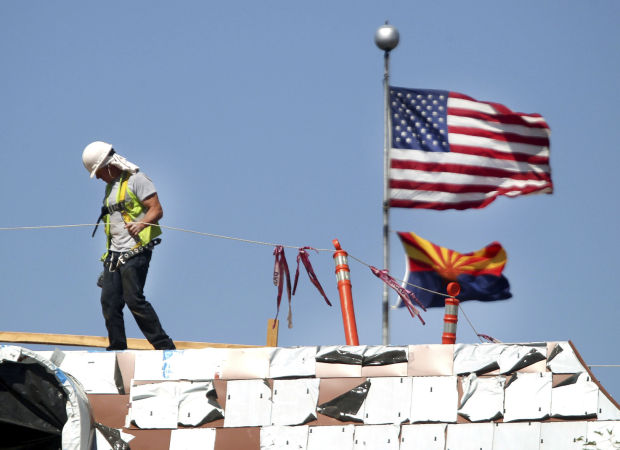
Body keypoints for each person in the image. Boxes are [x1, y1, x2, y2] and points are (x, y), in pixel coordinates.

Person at [82, 141, 175, 351]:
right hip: (114, 254)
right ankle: (117, 348)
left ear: (108, 165)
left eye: (98, 171)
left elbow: (157, 209)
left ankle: (164, 346)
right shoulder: (109, 188)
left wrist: (141, 224)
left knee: (134, 299)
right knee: (109, 302)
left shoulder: (137, 180)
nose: (97, 177)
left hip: (137, 250)